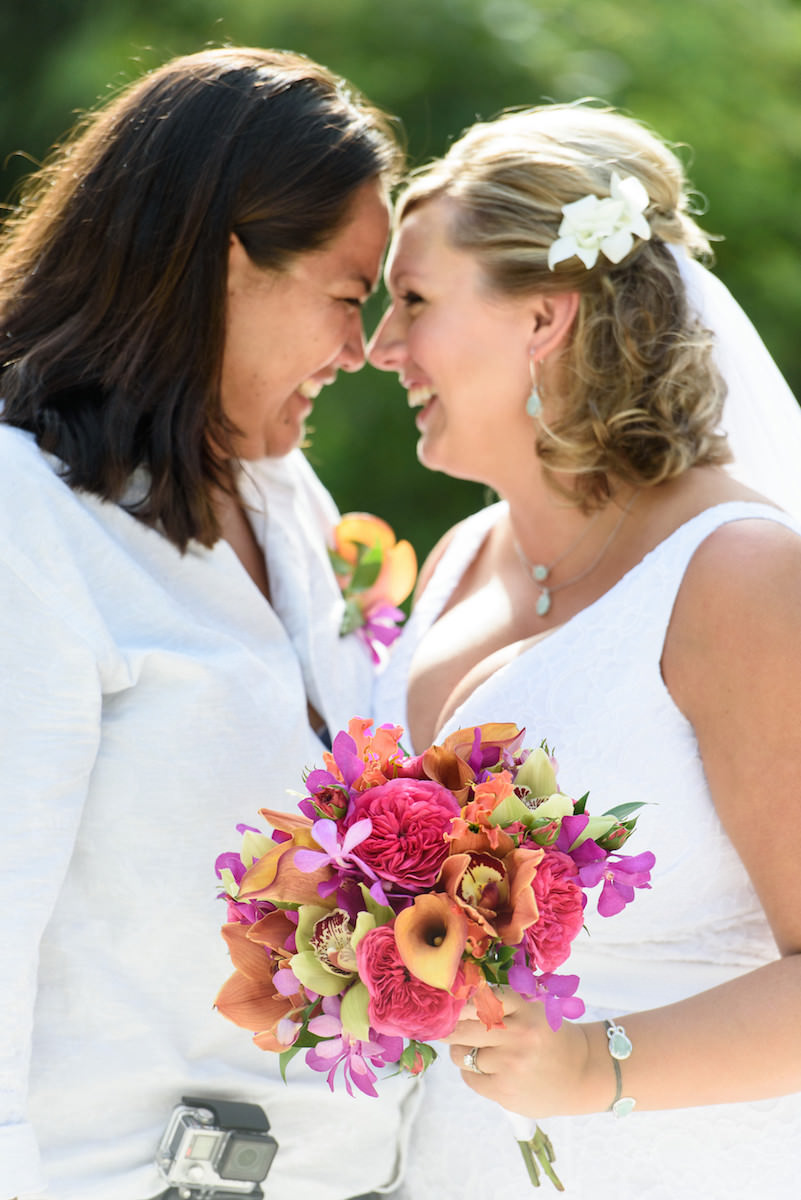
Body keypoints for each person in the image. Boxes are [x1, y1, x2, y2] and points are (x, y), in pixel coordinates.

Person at [0, 47, 420, 1200]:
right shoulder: (22, 517)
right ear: (228, 263)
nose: (358, 351)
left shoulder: (287, 499)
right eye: (347, 295)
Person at [368, 103, 801, 1198]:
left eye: (412, 302)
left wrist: (591, 1066)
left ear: (544, 319)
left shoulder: (739, 574)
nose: (380, 348)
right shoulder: (465, 555)